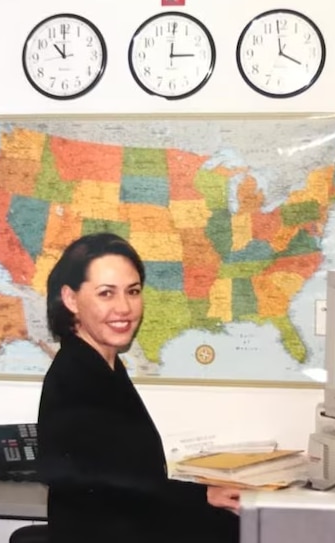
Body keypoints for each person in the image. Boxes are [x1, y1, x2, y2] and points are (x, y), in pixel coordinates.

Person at [36, 232, 240, 543]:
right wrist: (203, 496)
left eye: (132, 292)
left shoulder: (101, 366)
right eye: (106, 294)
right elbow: (113, 488)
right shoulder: (77, 378)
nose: (124, 307)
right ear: (71, 299)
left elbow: (125, 478)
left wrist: (205, 495)